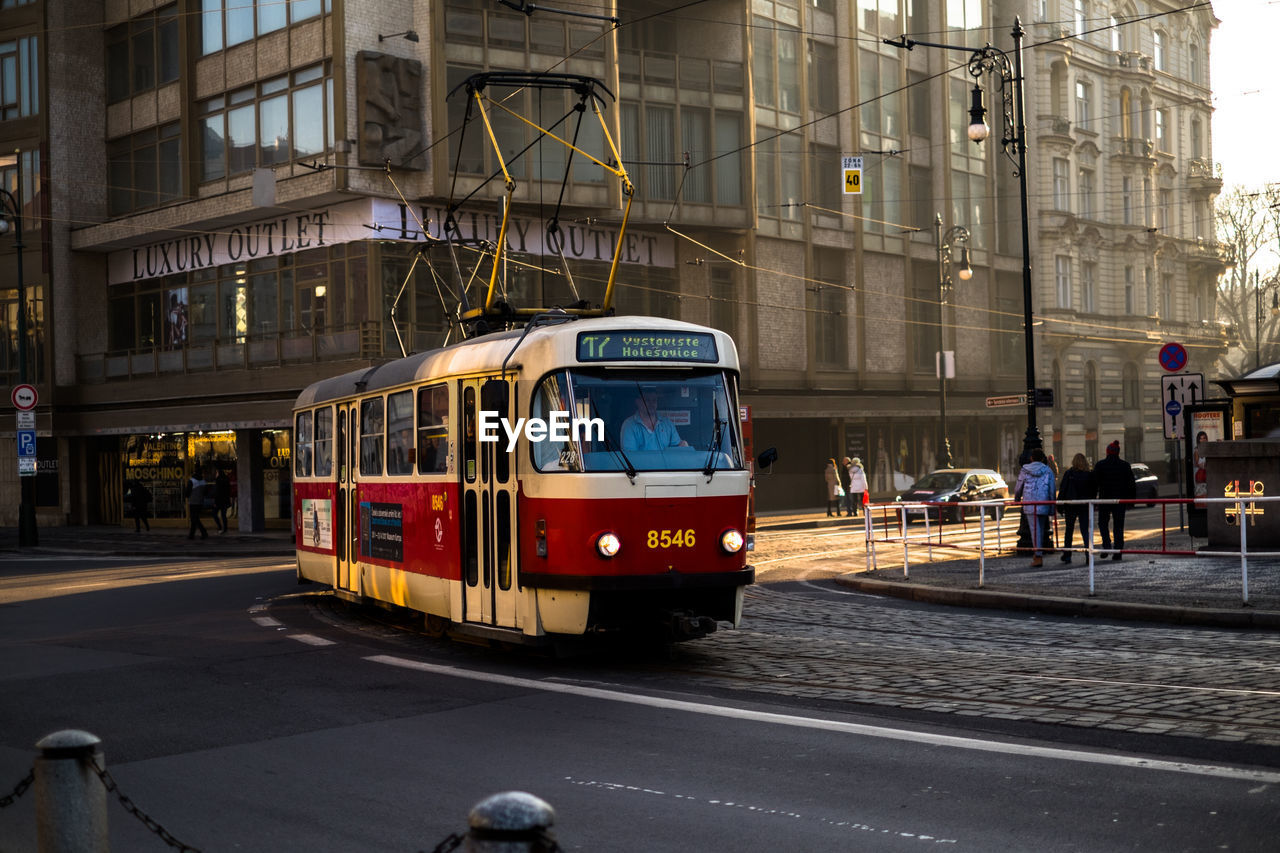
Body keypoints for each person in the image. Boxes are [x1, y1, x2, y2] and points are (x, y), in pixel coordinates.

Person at [1093, 440, 1136, 561]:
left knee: (1102, 523)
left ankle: (1106, 545)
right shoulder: (1125, 465)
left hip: (1104, 499)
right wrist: (1131, 501)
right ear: (1118, 453)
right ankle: (1118, 551)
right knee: (1118, 525)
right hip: (1120, 500)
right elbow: (1131, 485)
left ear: (1107, 452)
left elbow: (1094, 484)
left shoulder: (1100, 465)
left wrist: (1093, 499)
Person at [1014, 447, 1055, 567]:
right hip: (1044, 503)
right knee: (1041, 530)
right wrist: (1052, 506)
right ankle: (1038, 554)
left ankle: (1038, 556)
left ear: (1031, 458)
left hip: (1030, 504)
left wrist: (1017, 500)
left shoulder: (1025, 470)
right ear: (1043, 458)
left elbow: (1018, 487)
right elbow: (1052, 489)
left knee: (1034, 530)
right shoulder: (1048, 470)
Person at [1056, 453, 1097, 563]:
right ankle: (1089, 555)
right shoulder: (1089, 474)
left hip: (1071, 505)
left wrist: (1059, 505)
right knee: (1085, 531)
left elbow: (1063, 489)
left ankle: (1067, 555)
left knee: (1069, 531)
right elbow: (1094, 490)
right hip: (1084, 505)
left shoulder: (1069, 473)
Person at [620, 388, 688, 452]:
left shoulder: (667, 423)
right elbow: (630, 457)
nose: (651, 404)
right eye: (647, 400)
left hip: (667, 464)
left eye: (654, 400)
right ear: (638, 402)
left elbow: (677, 450)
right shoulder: (629, 425)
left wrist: (682, 446)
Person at [185, 467, 209, 540]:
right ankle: (191, 534)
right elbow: (206, 492)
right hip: (200, 502)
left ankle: (203, 532)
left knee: (194, 518)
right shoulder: (203, 481)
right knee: (194, 518)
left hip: (193, 502)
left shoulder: (191, 481)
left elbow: (187, 493)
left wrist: (187, 496)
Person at [213, 466, 232, 534]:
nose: (216, 474)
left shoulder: (218, 480)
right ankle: (225, 528)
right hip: (225, 500)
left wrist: (215, 501)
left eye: (216, 473)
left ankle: (220, 527)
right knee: (223, 515)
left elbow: (217, 492)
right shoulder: (226, 479)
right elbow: (228, 491)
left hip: (219, 501)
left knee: (214, 514)